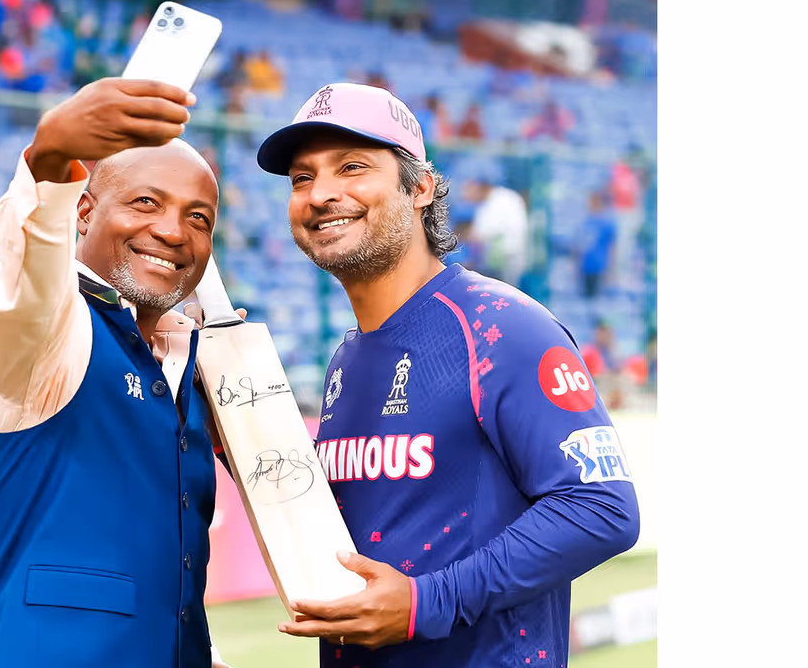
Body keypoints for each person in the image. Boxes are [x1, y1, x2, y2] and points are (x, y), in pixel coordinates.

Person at [253, 82, 639, 666]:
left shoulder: (501, 327)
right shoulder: (345, 360)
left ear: (421, 187)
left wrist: (424, 603)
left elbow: (601, 509)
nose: (320, 194)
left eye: (351, 167)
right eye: (302, 178)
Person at [0, 77, 231, 668]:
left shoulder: (188, 362)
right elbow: (30, 272)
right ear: (83, 211)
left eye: (199, 218)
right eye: (145, 202)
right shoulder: (52, 332)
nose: (172, 231)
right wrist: (51, 158)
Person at [467, 176, 529, 288]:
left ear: (481, 188)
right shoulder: (488, 203)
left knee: (506, 291)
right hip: (497, 258)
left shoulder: (503, 200)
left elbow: (484, 232)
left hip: (508, 257)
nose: (467, 196)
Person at [578, 190, 617, 299]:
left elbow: (612, 247)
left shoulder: (607, 224)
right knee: (586, 299)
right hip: (586, 266)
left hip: (600, 267)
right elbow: (578, 246)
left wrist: (611, 269)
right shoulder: (585, 222)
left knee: (598, 300)